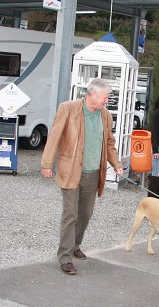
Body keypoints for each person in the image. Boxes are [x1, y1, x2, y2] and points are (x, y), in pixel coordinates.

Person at [41, 78, 124, 275]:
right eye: (105, 97)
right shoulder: (68, 109)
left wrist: (117, 164)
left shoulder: (105, 116)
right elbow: (54, 136)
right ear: (92, 94)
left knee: (85, 214)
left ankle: (75, 245)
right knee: (70, 214)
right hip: (71, 171)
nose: (107, 101)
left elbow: (109, 143)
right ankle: (65, 257)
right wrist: (47, 164)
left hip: (93, 173)